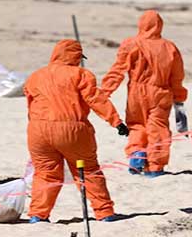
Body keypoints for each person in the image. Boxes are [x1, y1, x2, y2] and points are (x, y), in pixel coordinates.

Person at [24, 39, 128, 223]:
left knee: (45, 172)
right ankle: (104, 213)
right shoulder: (81, 75)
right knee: (88, 170)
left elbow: (30, 105)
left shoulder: (35, 76)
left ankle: (38, 215)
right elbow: (96, 100)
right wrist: (116, 122)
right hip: (72, 130)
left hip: (37, 131)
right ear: (75, 56)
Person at [101, 10, 187, 178]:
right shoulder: (169, 47)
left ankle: (137, 154)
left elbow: (117, 70)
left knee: (136, 124)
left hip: (136, 92)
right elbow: (177, 76)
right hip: (160, 91)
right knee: (158, 129)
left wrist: (104, 91)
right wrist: (179, 97)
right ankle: (154, 167)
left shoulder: (130, 44)